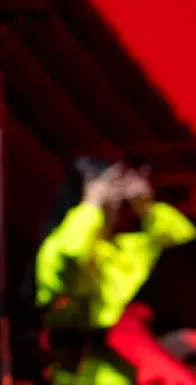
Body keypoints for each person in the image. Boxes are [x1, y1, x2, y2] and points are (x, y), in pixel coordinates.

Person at [34, 157, 196, 385]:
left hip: (141, 369)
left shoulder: (136, 245)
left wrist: (148, 211)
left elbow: (185, 246)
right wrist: (91, 206)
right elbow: (70, 260)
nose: (120, 193)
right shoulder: (65, 243)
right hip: (85, 372)